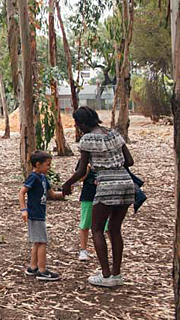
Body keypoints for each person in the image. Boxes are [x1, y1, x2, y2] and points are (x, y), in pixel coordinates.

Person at [62, 106, 135, 288]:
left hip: (106, 186)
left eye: (77, 124)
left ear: (82, 123)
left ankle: (106, 275)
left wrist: (67, 184)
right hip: (126, 184)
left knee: (97, 229)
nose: (77, 127)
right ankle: (117, 274)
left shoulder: (87, 139)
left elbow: (81, 170)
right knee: (115, 229)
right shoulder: (114, 133)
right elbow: (130, 161)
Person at [19, 150, 64, 281]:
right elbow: (21, 193)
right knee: (42, 242)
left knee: (37, 242)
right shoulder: (33, 177)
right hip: (34, 214)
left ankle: (33, 267)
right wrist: (23, 210)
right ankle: (42, 270)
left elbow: (52, 194)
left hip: (40, 213)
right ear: (38, 164)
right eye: (47, 164)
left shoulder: (44, 178)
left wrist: (65, 192)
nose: (49, 167)